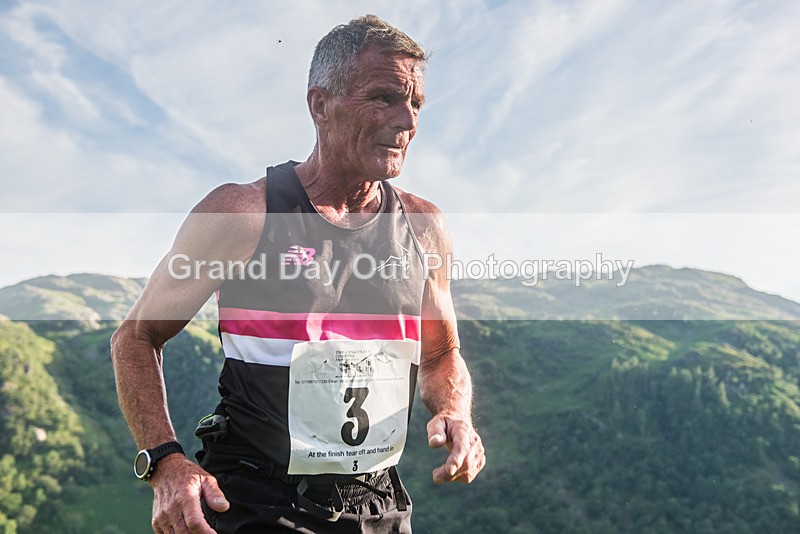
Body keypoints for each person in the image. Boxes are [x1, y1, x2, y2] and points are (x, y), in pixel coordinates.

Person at [111, 14, 485, 533]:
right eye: (384, 98)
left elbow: (441, 354)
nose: (407, 120)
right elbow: (135, 336)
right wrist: (164, 461)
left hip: (378, 503)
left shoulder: (424, 227)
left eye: (416, 103)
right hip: (254, 501)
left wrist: (456, 412)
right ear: (320, 105)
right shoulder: (243, 214)